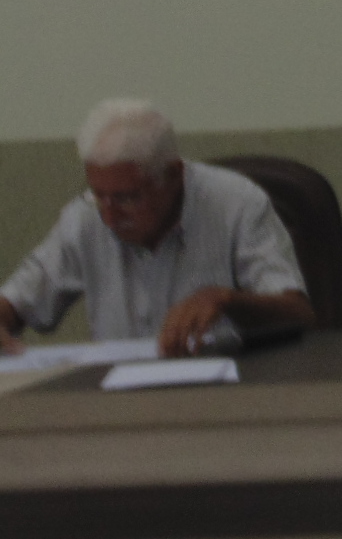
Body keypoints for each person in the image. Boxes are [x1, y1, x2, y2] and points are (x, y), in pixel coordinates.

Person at [0, 100, 313, 356]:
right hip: (118, 400)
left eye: (127, 198)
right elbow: (18, 300)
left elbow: (299, 313)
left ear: (174, 175)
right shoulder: (84, 218)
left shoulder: (238, 205)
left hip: (228, 395)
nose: (109, 216)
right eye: (98, 195)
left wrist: (226, 301)